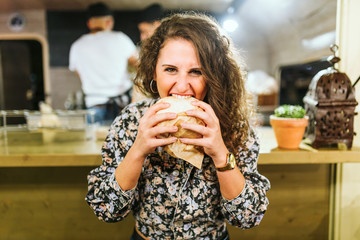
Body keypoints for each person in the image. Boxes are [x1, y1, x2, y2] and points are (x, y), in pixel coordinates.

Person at [85, 12, 270, 240]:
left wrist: (221, 154)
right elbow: (105, 209)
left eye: (196, 71)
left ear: (213, 75)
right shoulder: (132, 120)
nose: (182, 86)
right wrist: (138, 149)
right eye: (170, 69)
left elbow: (247, 218)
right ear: (154, 70)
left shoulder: (233, 124)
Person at [69, 2, 137, 125]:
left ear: (89, 23)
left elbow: (80, 74)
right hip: (121, 105)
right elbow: (139, 64)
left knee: (96, 143)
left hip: (94, 105)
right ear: (109, 22)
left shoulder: (77, 46)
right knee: (124, 143)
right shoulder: (120, 39)